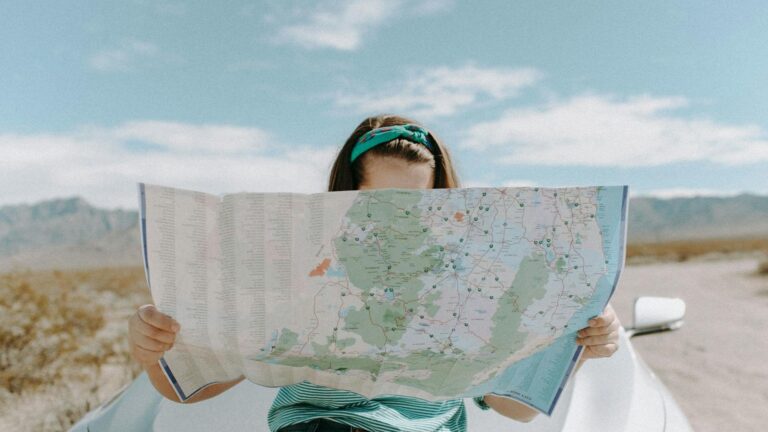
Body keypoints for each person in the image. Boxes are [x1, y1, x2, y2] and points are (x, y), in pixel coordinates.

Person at [128, 114, 621, 432]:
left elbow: (516, 408)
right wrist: (154, 350)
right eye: (379, 204)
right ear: (345, 199)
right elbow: (187, 389)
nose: (397, 220)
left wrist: (574, 345)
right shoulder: (294, 266)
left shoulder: (476, 280)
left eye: (416, 205)